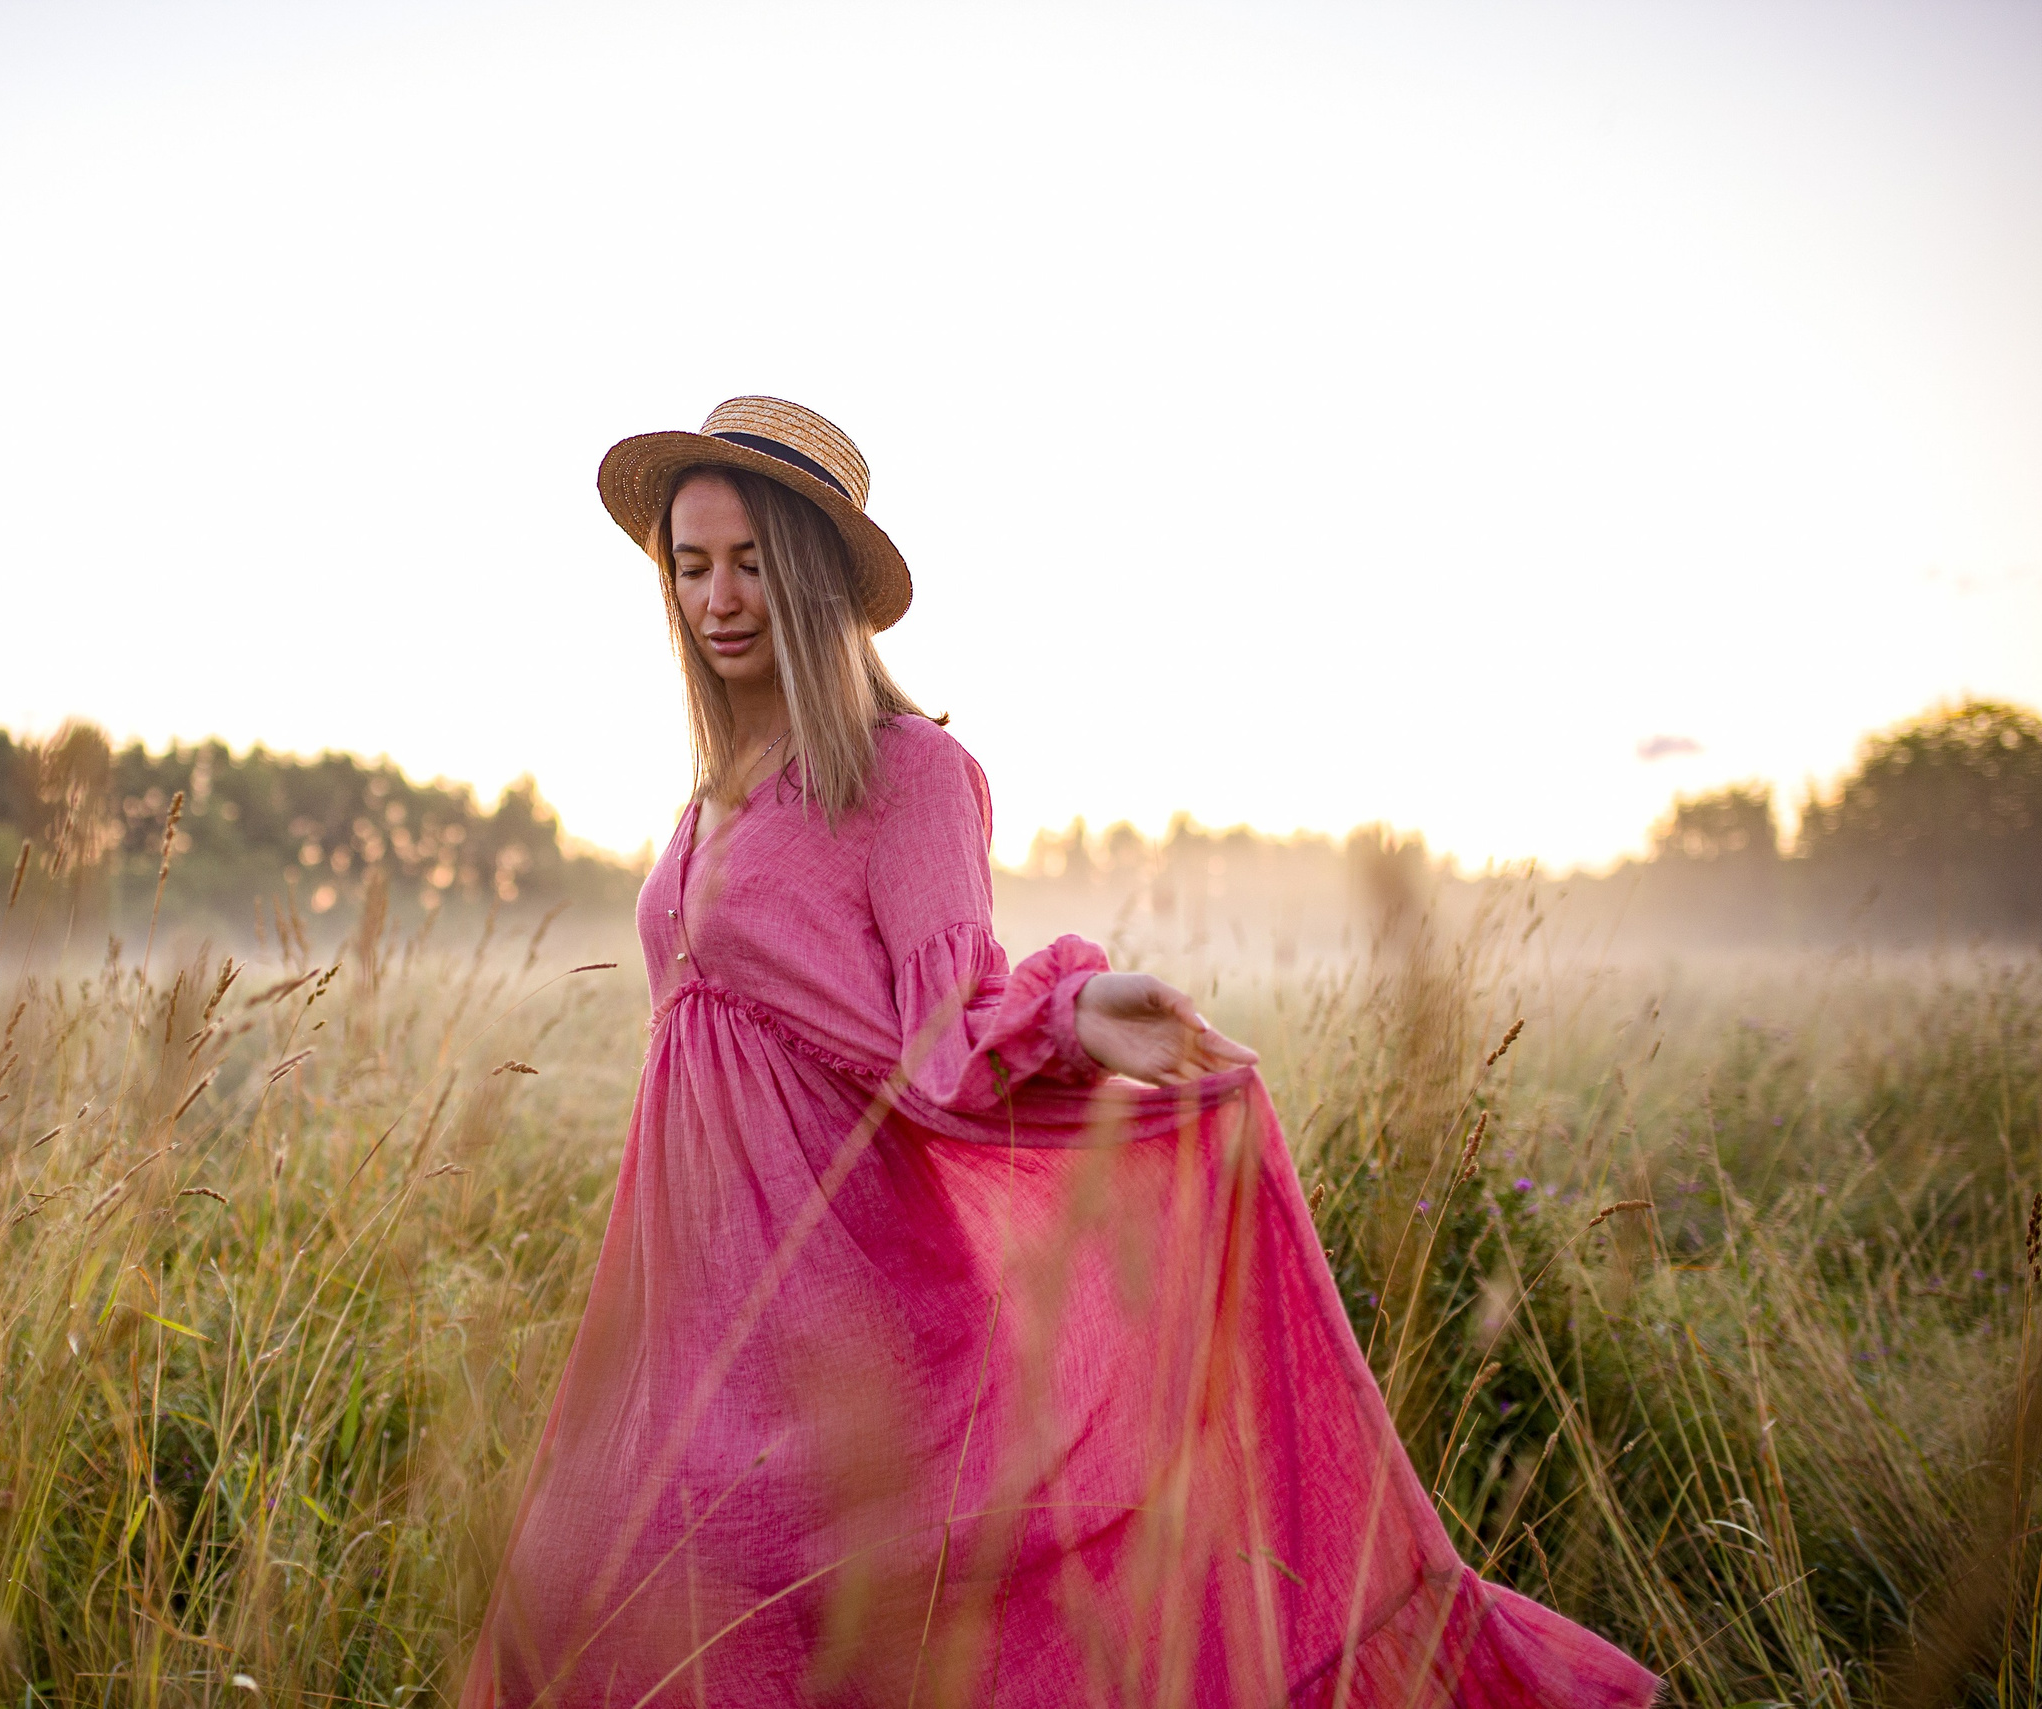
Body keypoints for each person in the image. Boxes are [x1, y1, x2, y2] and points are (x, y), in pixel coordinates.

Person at [461, 398, 1657, 1708]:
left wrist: (1078, 1010)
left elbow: (944, 1030)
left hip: (852, 1286)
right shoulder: (715, 793)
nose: (718, 597)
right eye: (690, 567)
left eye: (750, 560)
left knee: (859, 1613)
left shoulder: (909, 772)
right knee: (597, 1586)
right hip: (702, 1296)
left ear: (811, 571)